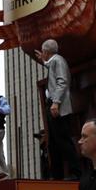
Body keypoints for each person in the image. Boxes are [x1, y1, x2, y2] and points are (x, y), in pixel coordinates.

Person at [35, 39, 81, 180]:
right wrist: (43, 60)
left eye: (44, 52)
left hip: (57, 105)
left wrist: (56, 102)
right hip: (54, 104)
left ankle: (76, 172)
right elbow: (51, 67)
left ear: (46, 52)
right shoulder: (54, 61)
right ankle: (57, 175)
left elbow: (62, 81)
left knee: (63, 139)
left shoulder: (58, 61)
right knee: (54, 141)